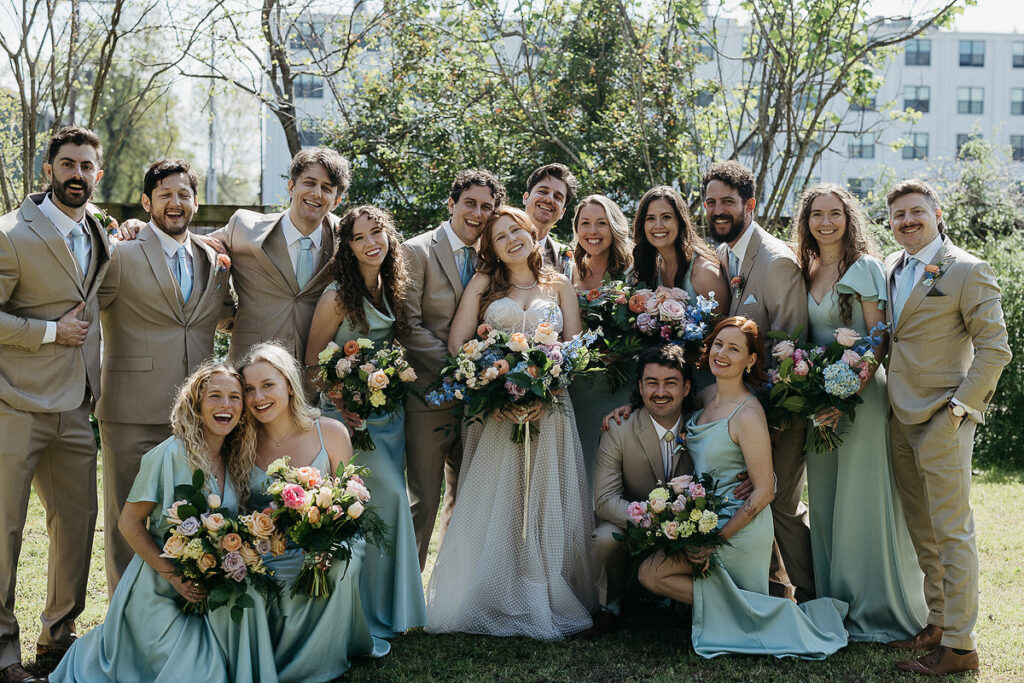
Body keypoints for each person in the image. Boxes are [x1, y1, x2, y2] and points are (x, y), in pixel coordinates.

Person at [425, 206, 595, 639]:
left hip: (549, 409)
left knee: (545, 500)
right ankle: (487, 592)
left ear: (531, 232)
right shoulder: (484, 284)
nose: (513, 239)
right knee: (494, 499)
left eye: (517, 230)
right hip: (495, 412)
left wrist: (550, 389)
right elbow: (459, 343)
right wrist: (493, 390)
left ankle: (543, 590)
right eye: (501, 237)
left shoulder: (558, 285)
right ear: (493, 250)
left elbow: (575, 348)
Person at [50, 363, 276, 682]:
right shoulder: (168, 455)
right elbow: (129, 523)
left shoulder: (237, 460)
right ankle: (101, 652)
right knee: (201, 673)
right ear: (196, 404)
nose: (226, 405)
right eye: (215, 396)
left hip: (210, 589)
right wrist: (175, 577)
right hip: (156, 589)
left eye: (234, 397)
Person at [638, 317, 848, 659]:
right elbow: (664, 405)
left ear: (750, 360)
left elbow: (765, 491)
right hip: (705, 516)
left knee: (653, 573)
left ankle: (761, 615)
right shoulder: (706, 397)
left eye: (734, 349)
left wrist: (714, 540)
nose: (722, 353)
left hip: (739, 527)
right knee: (649, 573)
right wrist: (624, 410)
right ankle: (745, 610)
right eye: (718, 344)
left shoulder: (748, 413)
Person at [882, 180, 1011, 675]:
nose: (908, 221)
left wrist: (957, 412)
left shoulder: (967, 269)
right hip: (899, 418)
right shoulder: (894, 267)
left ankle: (960, 646)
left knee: (953, 533)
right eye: (898, 216)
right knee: (922, 529)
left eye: (917, 212)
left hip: (943, 419)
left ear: (938, 213)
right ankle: (937, 623)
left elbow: (995, 350)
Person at [791, 183, 928, 642]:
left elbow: (877, 338)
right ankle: (836, 601)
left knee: (861, 500)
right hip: (817, 402)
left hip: (860, 401)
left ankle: (875, 605)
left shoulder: (864, 267)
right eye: (816, 215)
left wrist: (845, 394)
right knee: (827, 500)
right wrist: (813, 390)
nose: (825, 222)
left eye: (834, 214)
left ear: (849, 219)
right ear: (806, 222)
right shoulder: (805, 268)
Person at [0, 126, 112, 683]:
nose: (77, 174)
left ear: (98, 172)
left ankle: (57, 640)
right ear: (49, 169)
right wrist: (48, 332)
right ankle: (2, 656)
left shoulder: (100, 231)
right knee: (5, 532)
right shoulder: (11, 233)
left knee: (77, 526)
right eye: (67, 164)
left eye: (87, 166)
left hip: (77, 407)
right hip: (15, 406)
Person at [96, 159, 234, 594]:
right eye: (165, 195)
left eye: (183, 195)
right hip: (131, 409)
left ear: (196, 202)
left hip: (197, 419)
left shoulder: (215, 262)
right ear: (146, 202)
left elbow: (226, 317)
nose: (175, 203)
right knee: (127, 516)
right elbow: (83, 303)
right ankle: (122, 614)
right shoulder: (120, 254)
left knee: (186, 515)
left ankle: (177, 608)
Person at [305, 206, 427, 638]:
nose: (371, 242)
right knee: (384, 500)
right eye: (359, 237)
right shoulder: (337, 296)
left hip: (389, 417)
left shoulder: (392, 287)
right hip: (348, 422)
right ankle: (365, 612)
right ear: (348, 247)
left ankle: (393, 613)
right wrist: (341, 397)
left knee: (388, 507)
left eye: (377, 232)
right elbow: (312, 363)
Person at [241, 343, 389, 681]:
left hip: (331, 540)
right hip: (268, 546)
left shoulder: (331, 432)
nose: (257, 397)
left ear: (289, 385)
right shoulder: (242, 442)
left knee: (337, 561)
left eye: (267, 385)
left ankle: (317, 662)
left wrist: (325, 529)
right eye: (248, 389)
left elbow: (353, 500)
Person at [702, 160, 813, 602]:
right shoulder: (725, 254)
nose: (717, 210)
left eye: (727, 202)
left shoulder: (777, 261)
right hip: (740, 416)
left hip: (777, 416)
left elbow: (792, 350)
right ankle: (770, 590)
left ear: (750, 204)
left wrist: (769, 426)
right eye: (710, 202)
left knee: (782, 505)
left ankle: (809, 594)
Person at [398, 169, 507, 569]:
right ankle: (408, 595)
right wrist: (464, 368)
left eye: (487, 207)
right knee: (423, 497)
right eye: (470, 203)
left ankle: (455, 589)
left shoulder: (495, 258)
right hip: (429, 394)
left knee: (471, 496)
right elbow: (407, 325)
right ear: (452, 203)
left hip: (482, 400)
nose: (477, 214)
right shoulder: (416, 250)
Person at [589, 345, 695, 634]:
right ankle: (609, 607)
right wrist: (654, 520)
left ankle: (686, 606)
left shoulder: (702, 425)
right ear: (640, 386)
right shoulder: (618, 430)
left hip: (692, 531)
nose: (660, 391)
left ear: (686, 388)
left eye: (670, 383)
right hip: (635, 525)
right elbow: (604, 501)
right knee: (604, 538)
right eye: (652, 383)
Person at [568, 194, 635, 491]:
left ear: (614, 227)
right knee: (577, 469)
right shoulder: (569, 271)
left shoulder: (633, 273)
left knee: (611, 471)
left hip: (617, 386)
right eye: (585, 223)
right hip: (577, 386)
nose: (592, 231)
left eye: (601, 223)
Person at [629, 185, 728, 314]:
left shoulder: (705, 272)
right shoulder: (652, 268)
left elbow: (723, 328)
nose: (658, 225)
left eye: (666, 217)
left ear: (680, 221)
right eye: (650, 218)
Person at [522, 163, 575, 273]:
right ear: (526, 198)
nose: (549, 199)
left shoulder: (567, 259)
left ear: (562, 213)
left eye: (557, 197)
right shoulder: (495, 241)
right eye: (543, 191)